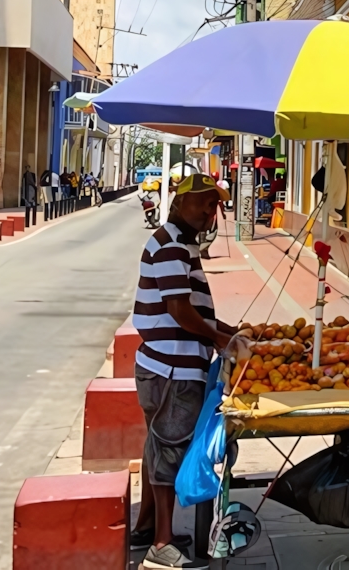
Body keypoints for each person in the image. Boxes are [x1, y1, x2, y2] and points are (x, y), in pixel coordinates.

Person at [131, 174, 239, 569]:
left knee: (157, 447)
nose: (210, 213)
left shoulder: (179, 244)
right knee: (169, 449)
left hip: (168, 361)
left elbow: (195, 310)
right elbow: (179, 311)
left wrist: (229, 332)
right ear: (179, 203)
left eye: (214, 206)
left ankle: (146, 525)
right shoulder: (172, 245)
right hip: (171, 366)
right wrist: (219, 339)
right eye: (203, 204)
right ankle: (161, 544)